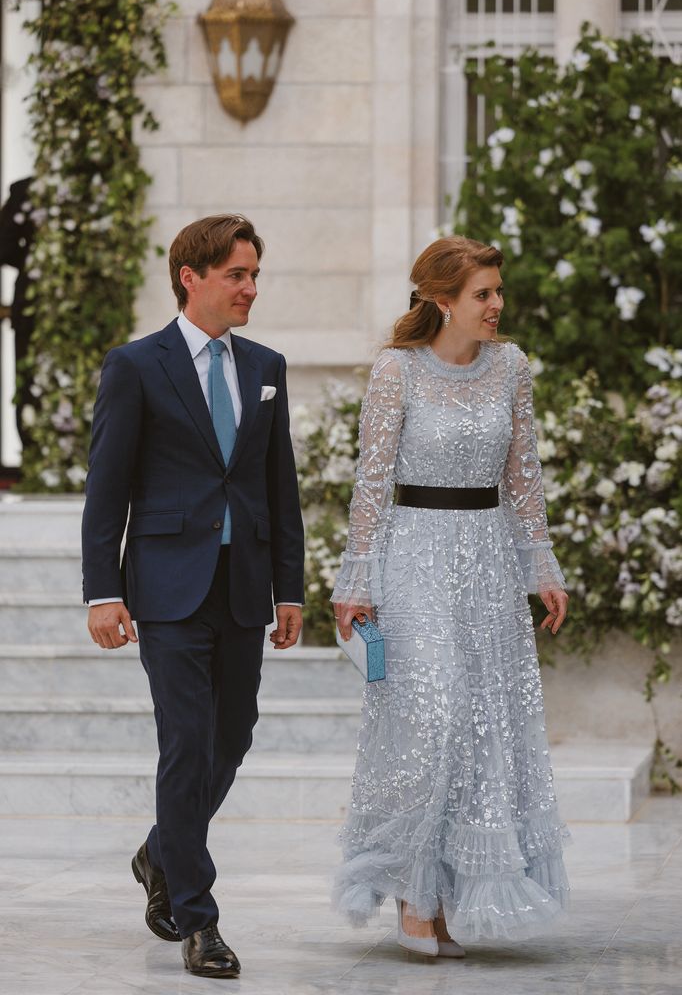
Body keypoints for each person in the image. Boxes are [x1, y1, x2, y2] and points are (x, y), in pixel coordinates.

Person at [332, 235, 570, 956]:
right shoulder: (395, 371)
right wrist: (356, 581)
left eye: (499, 291)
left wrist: (544, 569)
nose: (497, 305)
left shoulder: (512, 368)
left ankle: (448, 899)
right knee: (430, 719)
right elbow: (371, 483)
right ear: (441, 301)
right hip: (415, 558)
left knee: (480, 729)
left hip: (489, 560)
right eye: (483, 294)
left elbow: (522, 473)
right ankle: (411, 890)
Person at [81, 214, 305, 979]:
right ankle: (198, 918)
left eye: (254, 276)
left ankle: (159, 848)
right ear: (191, 277)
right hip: (167, 589)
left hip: (243, 587)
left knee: (232, 735)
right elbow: (105, 490)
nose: (250, 289)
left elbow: (282, 491)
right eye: (237, 275)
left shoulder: (267, 365)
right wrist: (101, 592)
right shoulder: (136, 365)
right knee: (186, 740)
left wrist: (291, 589)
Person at [0, 176, 36, 449]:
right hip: (30, 311)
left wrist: (30, 258)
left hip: (31, 303)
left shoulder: (26, 190)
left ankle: (34, 453)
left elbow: (5, 247)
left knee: (28, 383)